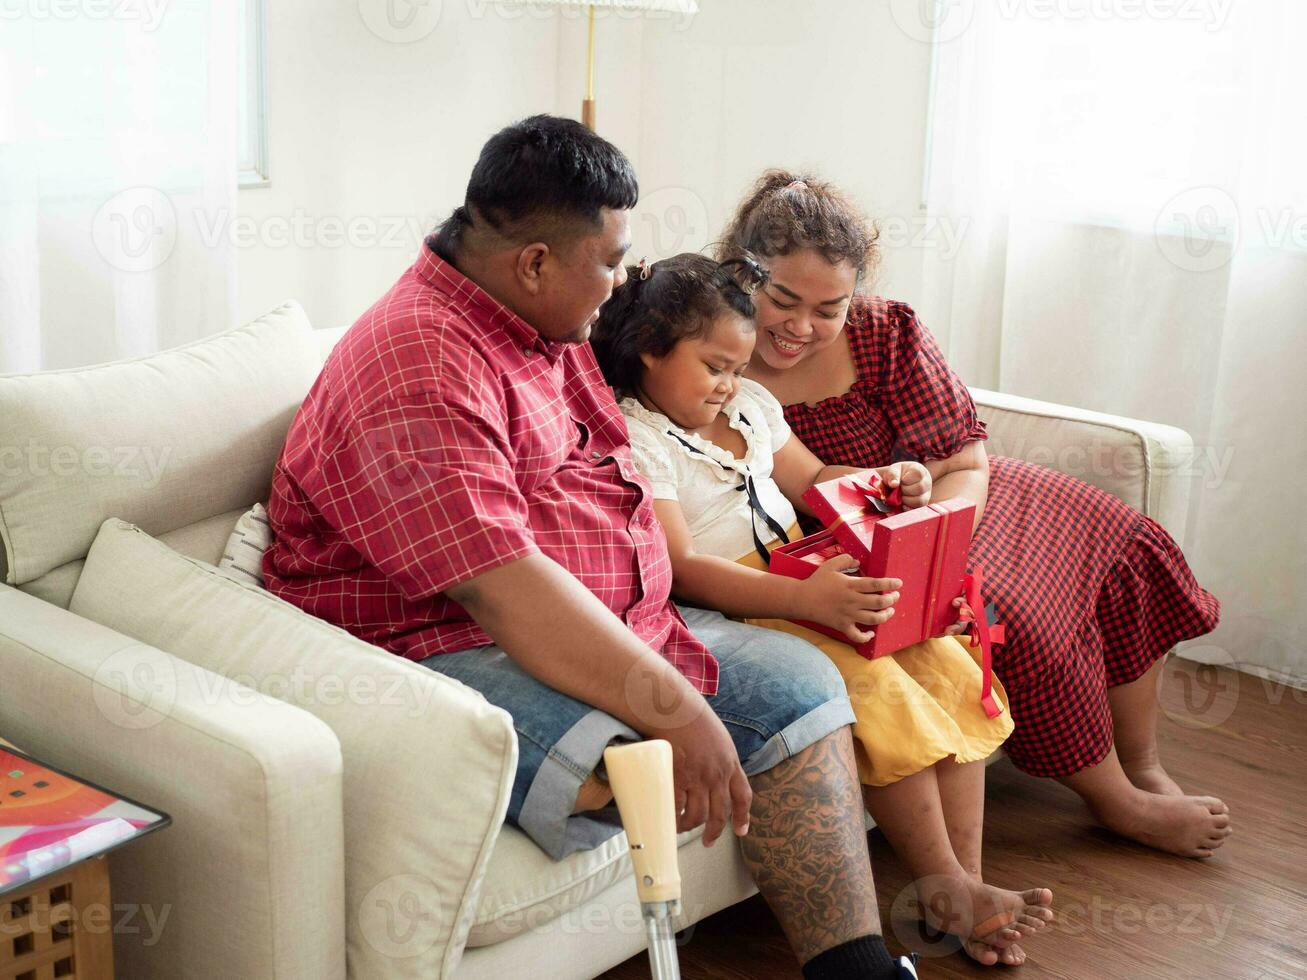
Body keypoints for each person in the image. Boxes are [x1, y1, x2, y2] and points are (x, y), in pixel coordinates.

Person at [262, 119, 917, 979]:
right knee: (631, 747)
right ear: (534, 261)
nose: (616, 286)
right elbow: (503, 593)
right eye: (608, 263)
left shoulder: (538, 323)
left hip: (620, 614)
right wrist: (676, 707)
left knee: (798, 688)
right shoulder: (420, 368)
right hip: (440, 641)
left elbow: (610, 460)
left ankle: (857, 974)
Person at [715, 170, 1231, 860]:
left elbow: (964, 459)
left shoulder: (884, 333)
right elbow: (810, 488)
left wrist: (942, 536)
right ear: (741, 274)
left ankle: (1141, 762)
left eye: (828, 308)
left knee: (1123, 540)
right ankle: (1115, 799)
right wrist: (914, 543)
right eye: (782, 299)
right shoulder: (707, 345)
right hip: (850, 535)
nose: (801, 327)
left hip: (954, 503)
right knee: (1016, 613)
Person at [590, 251, 1054, 966]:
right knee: (875, 690)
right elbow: (682, 568)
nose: (728, 385)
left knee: (945, 664)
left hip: (810, 578)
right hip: (748, 605)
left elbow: (813, 483)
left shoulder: (750, 406)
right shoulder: (637, 434)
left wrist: (887, 481)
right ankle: (941, 884)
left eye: (737, 368)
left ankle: (964, 884)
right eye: (713, 366)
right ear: (650, 352)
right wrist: (805, 598)